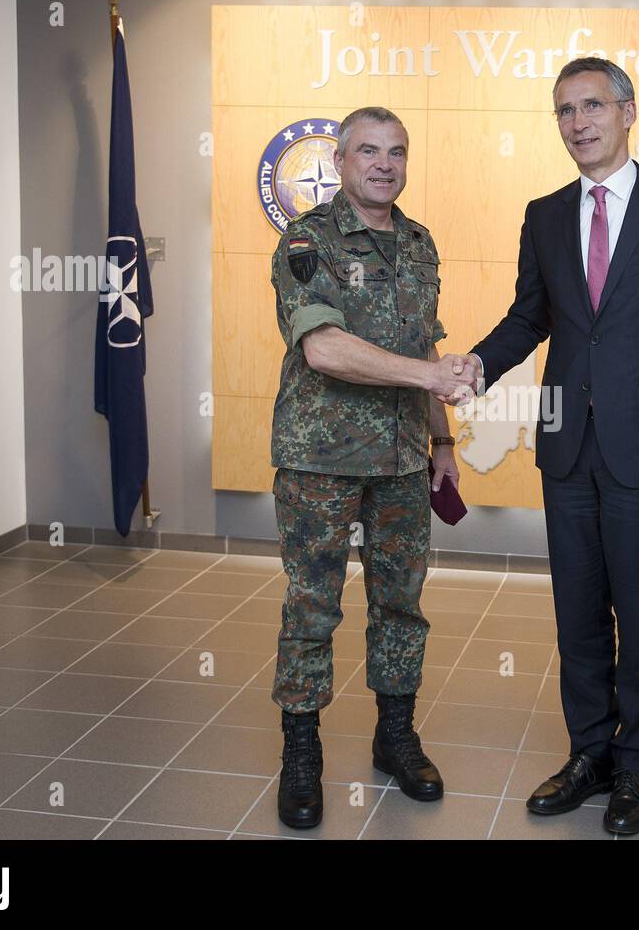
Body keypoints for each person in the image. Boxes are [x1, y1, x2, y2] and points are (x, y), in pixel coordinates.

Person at [459, 58, 639, 835]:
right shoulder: (544, 214)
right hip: (566, 449)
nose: (579, 122)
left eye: (593, 106)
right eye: (565, 110)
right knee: (576, 613)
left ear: (628, 112)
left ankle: (636, 767)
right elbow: (529, 317)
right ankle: (588, 754)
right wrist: (477, 364)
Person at [269, 106, 476, 829]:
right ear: (341, 161)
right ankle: (302, 754)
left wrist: (443, 444)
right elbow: (322, 347)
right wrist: (430, 380)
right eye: (368, 151)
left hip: (399, 463)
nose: (383, 164)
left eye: (396, 152)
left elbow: (427, 346)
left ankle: (395, 736)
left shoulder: (419, 244)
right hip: (319, 461)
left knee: (400, 603)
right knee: (312, 608)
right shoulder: (307, 240)